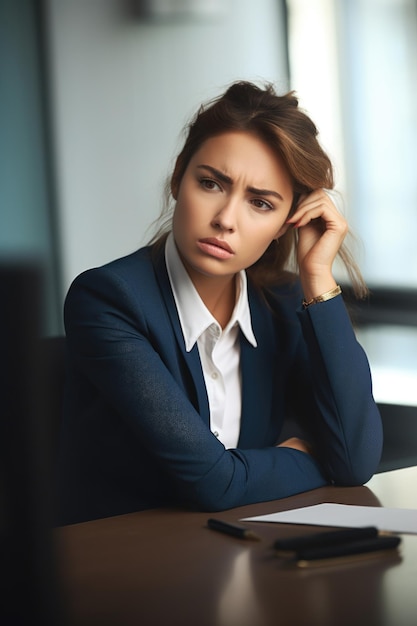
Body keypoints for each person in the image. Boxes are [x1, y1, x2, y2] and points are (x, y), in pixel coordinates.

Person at [57, 81, 383, 526]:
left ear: (288, 222)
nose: (226, 220)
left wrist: (318, 280)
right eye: (211, 183)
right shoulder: (109, 300)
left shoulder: (285, 301)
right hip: (125, 560)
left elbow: (354, 459)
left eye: (260, 203)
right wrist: (316, 460)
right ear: (178, 178)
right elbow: (214, 482)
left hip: (237, 551)